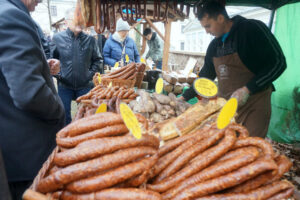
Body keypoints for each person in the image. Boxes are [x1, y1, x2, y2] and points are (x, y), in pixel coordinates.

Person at [181, 1, 286, 138]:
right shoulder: (214, 46)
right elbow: (205, 77)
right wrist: (184, 97)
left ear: (220, 18)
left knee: (250, 149)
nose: (206, 31)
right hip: (227, 107)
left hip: (255, 103)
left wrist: (247, 89)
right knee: (224, 148)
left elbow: (278, 63)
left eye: (208, 26)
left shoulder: (251, 29)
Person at [0, 0, 65, 199]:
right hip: (26, 154)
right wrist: (59, 110)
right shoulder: (10, 16)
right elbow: (29, 93)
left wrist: (41, 66)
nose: (40, 0)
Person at [51, 9, 103, 125]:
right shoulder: (57, 39)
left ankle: (85, 141)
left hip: (85, 86)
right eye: (76, 20)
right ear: (66, 22)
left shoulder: (90, 40)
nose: (80, 23)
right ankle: (66, 140)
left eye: (82, 20)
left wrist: (88, 75)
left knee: (86, 117)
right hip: (64, 86)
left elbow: (98, 60)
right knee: (64, 117)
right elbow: (51, 61)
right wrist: (59, 75)